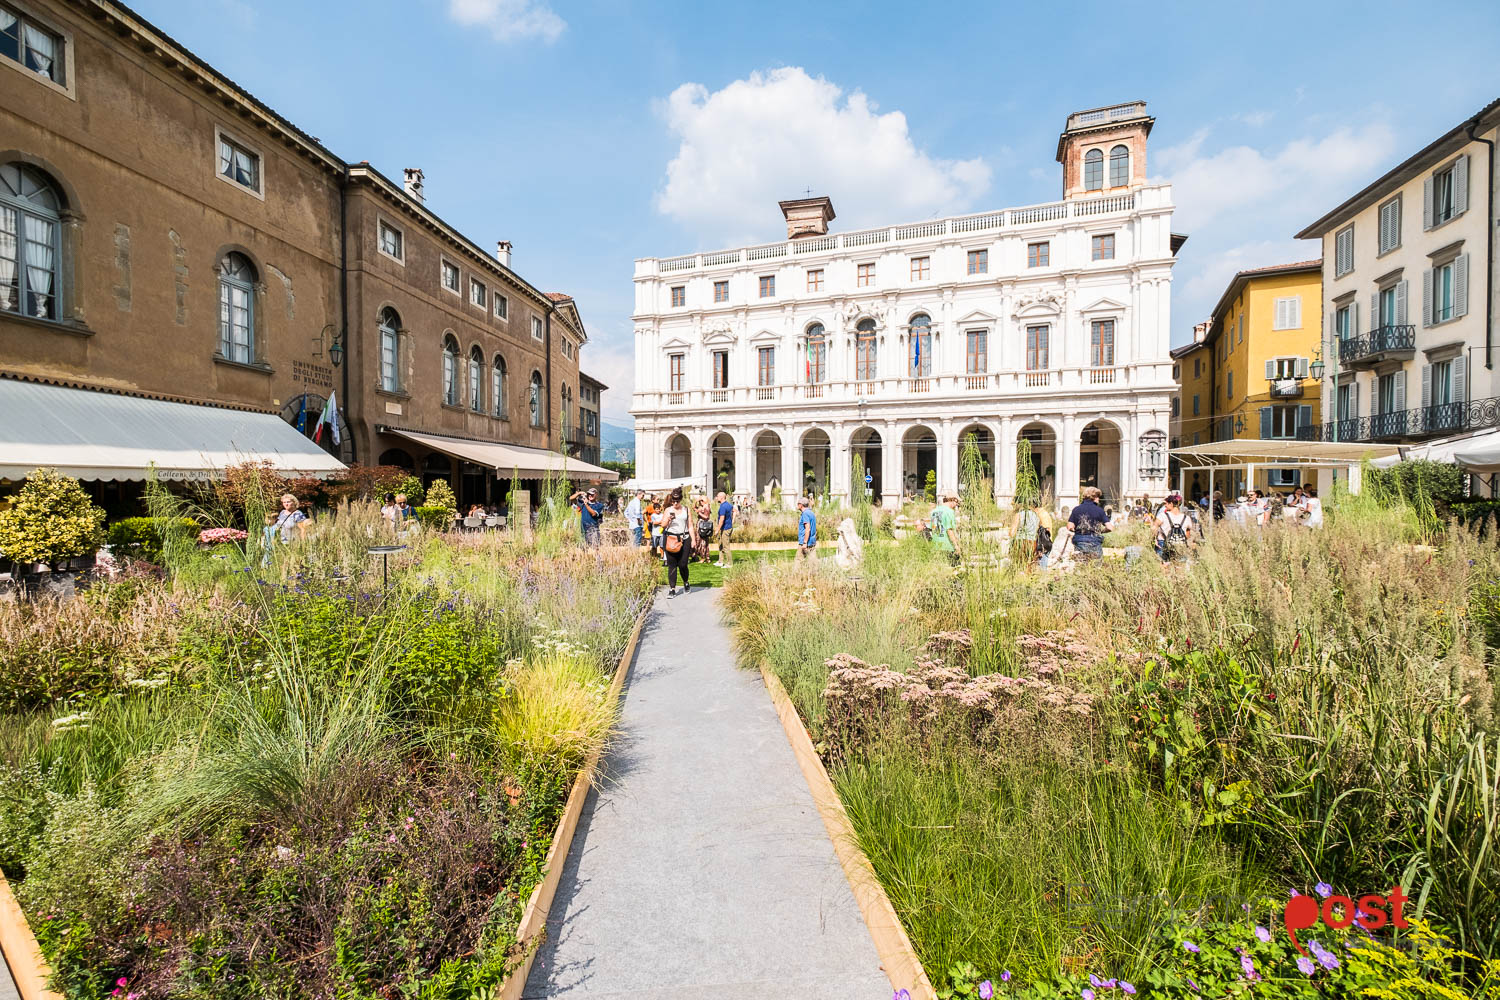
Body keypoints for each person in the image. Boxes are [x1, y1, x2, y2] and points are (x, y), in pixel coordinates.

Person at [1065, 486, 1110, 561]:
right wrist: (1102, 531)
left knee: (1080, 566)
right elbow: (1110, 527)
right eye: (1098, 497)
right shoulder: (1099, 510)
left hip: (1080, 541)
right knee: (1096, 567)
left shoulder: (1076, 509)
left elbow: (1069, 526)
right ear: (1094, 497)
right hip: (1095, 541)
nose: (1099, 499)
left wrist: (1075, 530)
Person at [662, 488, 692, 595]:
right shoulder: (668, 510)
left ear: (681, 499)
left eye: (677, 501)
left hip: (684, 538)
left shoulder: (686, 510)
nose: (675, 503)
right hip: (671, 538)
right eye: (673, 501)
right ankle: (672, 588)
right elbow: (663, 525)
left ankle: (686, 582)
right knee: (672, 564)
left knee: (683, 564)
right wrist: (668, 519)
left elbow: (690, 526)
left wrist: (693, 540)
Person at [1009, 500, 1054, 569]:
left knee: (1018, 565)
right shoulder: (1037, 515)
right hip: (1032, 543)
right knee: (1030, 566)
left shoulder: (1018, 514)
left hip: (1020, 543)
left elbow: (1011, 533)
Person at [1154, 493, 1195, 563]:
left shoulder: (1162, 516)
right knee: (1179, 567)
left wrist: (1154, 539)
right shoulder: (1186, 518)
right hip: (1180, 545)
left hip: (1163, 543)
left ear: (1171, 504)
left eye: (1166, 503)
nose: (1165, 505)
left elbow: (1154, 528)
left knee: (1164, 567)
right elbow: (1188, 535)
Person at [927, 494, 961, 564]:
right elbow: (949, 530)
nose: (956, 506)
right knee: (955, 570)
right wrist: (956, 546)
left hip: (936, 546)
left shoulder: (934, 511)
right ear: (953, 501)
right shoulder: (949, 512)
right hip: (948, 547)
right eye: (957, 504)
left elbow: (932, 528)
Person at [714, 490, 734, 567]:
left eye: (718, 496)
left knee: (725, 546)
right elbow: (735, 511)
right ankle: (720, 561)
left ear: (721, 497)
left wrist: (717, 530)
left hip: (725, 528)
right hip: (727, 527)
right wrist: (733, 519)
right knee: (721, 544)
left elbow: (721, 520)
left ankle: (729, 563)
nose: (716, 497)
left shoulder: (723, 507)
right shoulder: (729, 505)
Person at [796, 495, 818, 561]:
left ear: (801, 505)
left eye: (798, 504)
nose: (797, 505)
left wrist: (804, 543)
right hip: (812, 542)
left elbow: (807, 528)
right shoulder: (811, 513)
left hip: (805, 542)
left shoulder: (805, 514)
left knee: (799, 561)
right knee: (813, 563)